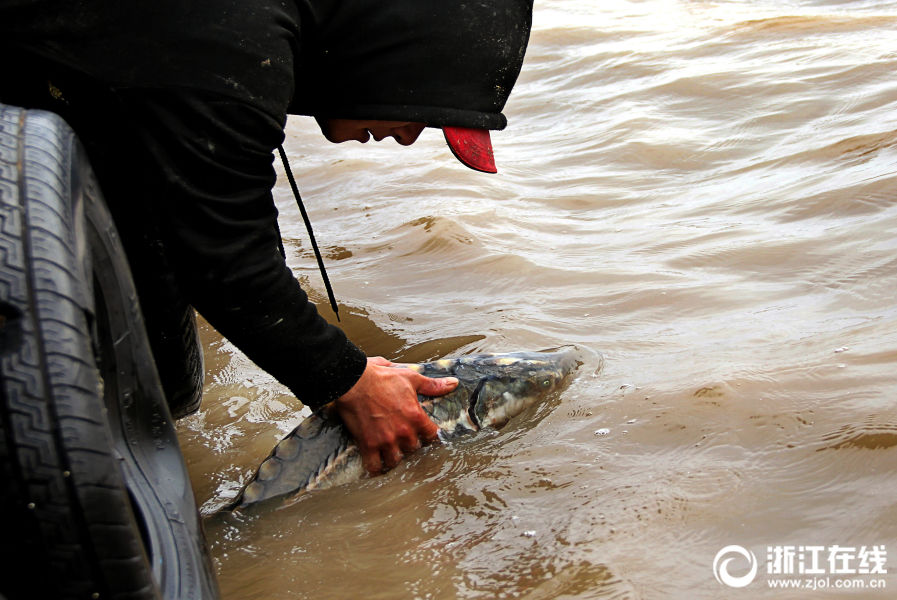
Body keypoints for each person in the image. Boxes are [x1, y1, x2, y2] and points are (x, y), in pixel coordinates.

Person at [0, 0, 534, 475]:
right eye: (422, 113)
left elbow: (219, 211)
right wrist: (347, 380)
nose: (409, 137)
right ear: (393, 57)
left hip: (83, 91)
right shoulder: (221, 34)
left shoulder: (255, 38)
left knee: (166, 382)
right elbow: (222, 249)